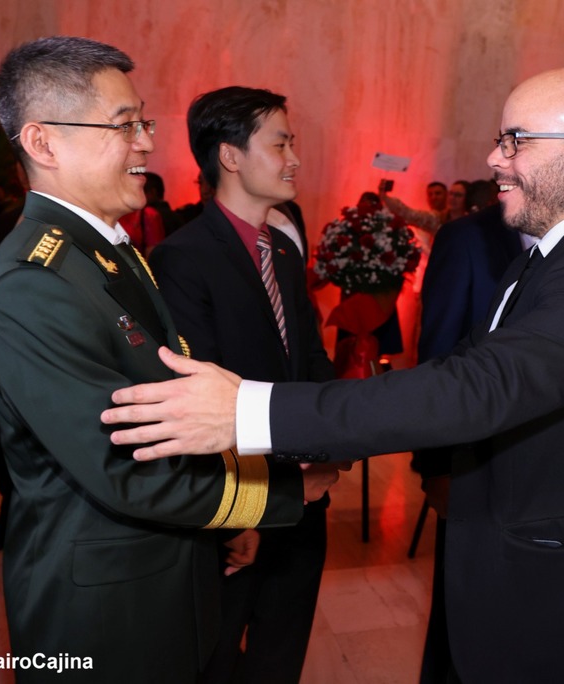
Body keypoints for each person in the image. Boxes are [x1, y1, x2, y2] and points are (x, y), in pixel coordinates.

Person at [102, 67, 564, 683]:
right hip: (503, 565)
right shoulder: (554, 257)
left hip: (555, 586)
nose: (495, 158)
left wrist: (252, 411)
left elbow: (478, 388)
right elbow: (459, 371)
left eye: (516, 141)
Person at [0, 36, 340, 683]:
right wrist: (279, 491)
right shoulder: (35, 282)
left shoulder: (103, 253)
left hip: (161, 575)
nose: (146, 143)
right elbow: (123, 465)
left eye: (142, 123)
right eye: (125, 126)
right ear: (43, 143)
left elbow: (172, 405)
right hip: (102, 611)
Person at [149, 86, 336, 684]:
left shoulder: (281, 250)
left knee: (282, 651)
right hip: (237, 507)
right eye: (280, 144)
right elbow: (199, 395)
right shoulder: (182, 258)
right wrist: (242, 517)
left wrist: (326, 455)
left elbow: (309, 358)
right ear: (229, 156)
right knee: (217, 655)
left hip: (303, 496)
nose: (294, 159)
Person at [411, 192, 524, 683]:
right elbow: (439, 359)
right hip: (473, 467)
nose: (501, 159)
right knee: (460, 625)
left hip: (548, 476)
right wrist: (436, 467)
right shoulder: (466, 239)